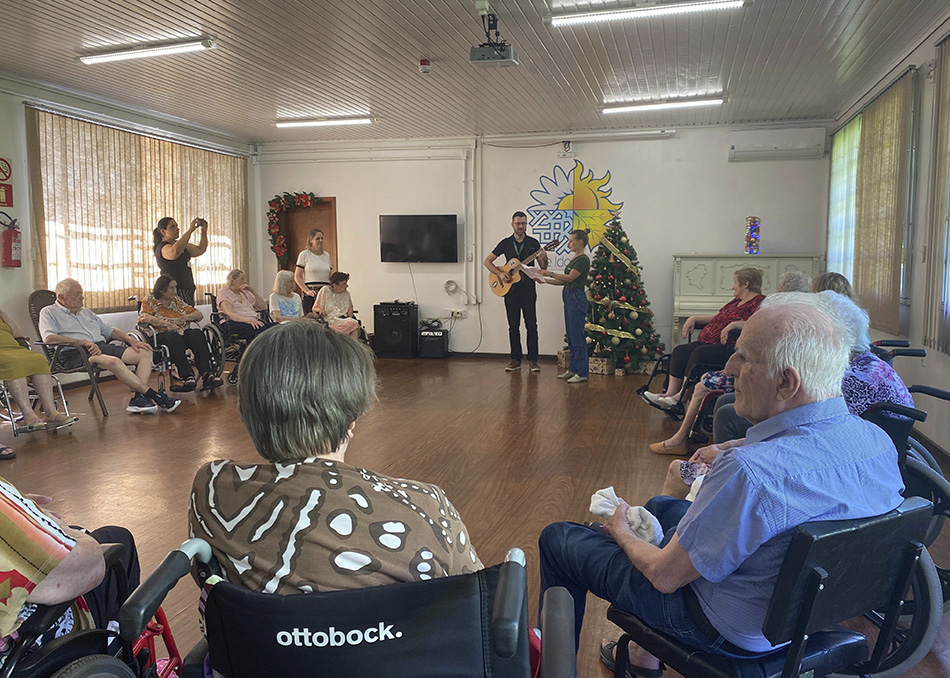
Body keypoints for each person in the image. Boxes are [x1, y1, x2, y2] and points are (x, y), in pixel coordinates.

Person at [539, 295, 904, 673]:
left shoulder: (751, 472)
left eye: (744, 357)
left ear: (785, 381)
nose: (729, 366)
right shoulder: (875, 441)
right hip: (807, 619)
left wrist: (620, 532)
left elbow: (665, 577)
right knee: (664, 508)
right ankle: (641, 656)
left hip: (729, 633)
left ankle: (553, 667)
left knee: (559, 539)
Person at [189, 322, 482, 594]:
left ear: (245, 415)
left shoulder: (211, 488)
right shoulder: (426, 506)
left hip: (255, 649)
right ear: (352, 419)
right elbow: (475, 602)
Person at [711, 289, 914, 445]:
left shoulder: (853, 379)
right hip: (866, 435)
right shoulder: (868, 360)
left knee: (728, 414)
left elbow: (808, 426)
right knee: (729, 402)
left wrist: (735, 448)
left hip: (847, 444)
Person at [648, 268, 813, 456]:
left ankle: (682, 438)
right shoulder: (795, 315)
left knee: (704, 379)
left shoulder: (779, 312)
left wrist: (734, 328)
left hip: (761, 375)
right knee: (686, 355)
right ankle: (676, 404)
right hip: (764, 374)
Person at [0, 481, 141, 666]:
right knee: (116, 539)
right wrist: (58, 528)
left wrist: (18, 511)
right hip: (30, 655)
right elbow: (92, 564)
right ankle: (122, 655)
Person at [38, 279, 180, 414]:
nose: (82, 297)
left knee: (144, 352)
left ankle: (140, 398)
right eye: (77, 294)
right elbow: (49, 338)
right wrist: (82, 342)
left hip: (100, 347)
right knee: (113, 362)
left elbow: (109, 330)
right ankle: (154, 395)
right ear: (62, 298)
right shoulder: (48, 312)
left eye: (82, 293)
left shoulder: (86, 312)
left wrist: (132, 340)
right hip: (75, 353)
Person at [642, 268, 764, 411]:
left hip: (729, 347)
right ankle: (669, 394)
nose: (733, 286)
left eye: (735, 282)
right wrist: (694, 318)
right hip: (709, 341)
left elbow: (758, 324)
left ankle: (680, 398)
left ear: (746, 284)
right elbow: (717, 317)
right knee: (680, 351)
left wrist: (733, 325)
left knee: (700, 353)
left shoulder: (759, 302)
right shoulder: (736, 301)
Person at [0, 305, 77, 455]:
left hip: (15, 349)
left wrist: (2, 312)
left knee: (38, 360)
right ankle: (28, 414)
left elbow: (17, 333)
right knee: (13, 363)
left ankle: (51, 412)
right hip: (4, 355)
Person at [483, 212, 548, 373]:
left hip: (528, 290)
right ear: (512, 224)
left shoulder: (533, 243)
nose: (521, 226)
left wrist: (543, 257)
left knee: (531, 325)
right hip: (510, 291)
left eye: (524, 223)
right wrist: (499, 273)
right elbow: (487, 261)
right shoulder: (505, 243)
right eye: (518, 223)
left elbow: (543, 267)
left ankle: (533, 360)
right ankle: (515, 360)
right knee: (513, 326)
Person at [138, 275, 223, 392]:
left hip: (180, 333)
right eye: (171, 288)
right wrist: (166, 324)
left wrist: (184, 317)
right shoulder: (149, 301)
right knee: (173, 337)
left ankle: (207, 374)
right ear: (162, 290)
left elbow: (199, 315)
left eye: (175, 288)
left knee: (196, 334)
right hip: (161, 336)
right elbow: (144, 318)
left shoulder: (176, 301)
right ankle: (187, 376)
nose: (175, 291)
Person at [540, 229, 590, 383]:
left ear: (580, 241)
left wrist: (549, 273)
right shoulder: (575, 259)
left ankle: (582, 372)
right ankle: (574, 369)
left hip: (576, 297)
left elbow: (570, 277)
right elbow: (565, 281)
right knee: (571, 335)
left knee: (577, 336)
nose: (568, 244)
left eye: (571, 241)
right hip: (569, 297)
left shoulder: (583, 259)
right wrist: (544, 280)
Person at [153, 217, 209, 306]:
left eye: (177, 226)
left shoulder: (180, 245)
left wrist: (203, 231)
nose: (177, 229)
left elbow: (200, 249)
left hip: (187, 290)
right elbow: (174, 252)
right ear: (163, 231)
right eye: (172, 227)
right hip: (174, 291)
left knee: (190, 316)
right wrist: (190, 230)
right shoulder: (162, 247)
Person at [216, 269, 273, 343]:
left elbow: (263, 307)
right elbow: (230, 314)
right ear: (233, 280)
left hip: (252, 321)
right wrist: (248, 320)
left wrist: (253, 291)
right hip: (232, 322)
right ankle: (257, 353)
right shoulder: (224, 292)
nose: (245, 281)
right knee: (259, 330)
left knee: (276, 327)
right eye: (242, 279)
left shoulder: (245, 293)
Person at [294, 228, 333, 316]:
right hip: (312, 293)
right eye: (317, 238)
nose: (320, 241)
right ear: (310, 240)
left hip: (325, 293)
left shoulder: (326, 255)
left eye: (322, 238)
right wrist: (306, 290)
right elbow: (297, 276)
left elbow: (329, 275)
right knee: (313, 319)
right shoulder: (304, 254)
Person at [313, 272, 360, 339]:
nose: (347, 286)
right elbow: (315, 308)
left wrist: (350, 312)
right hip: (329, 320)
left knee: (354, 323)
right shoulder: (325, 290)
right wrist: (320, 310)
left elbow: (350, 309)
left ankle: (353, 347)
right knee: (352, 323)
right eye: (344, 283)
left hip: (343, 319)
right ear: (335, 285)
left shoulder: (346, 294)